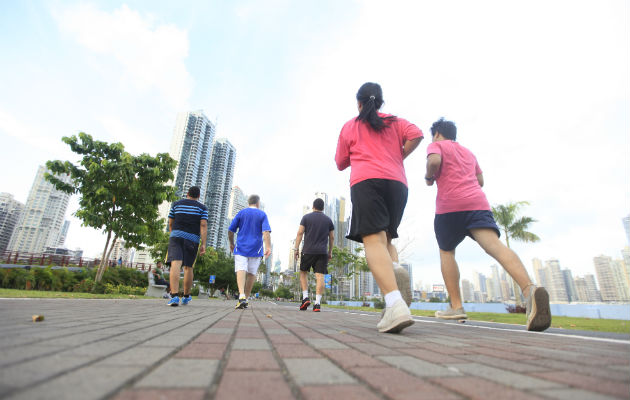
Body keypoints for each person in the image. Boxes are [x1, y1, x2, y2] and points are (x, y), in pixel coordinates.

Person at [425, 118, 551, 331]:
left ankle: (456, 307)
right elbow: (480, 180)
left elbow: (434, 162)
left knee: (447, 252)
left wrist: (429, 177)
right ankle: (530, 291)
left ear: (437, 133)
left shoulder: (435, 145)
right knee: (495, 247)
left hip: (450, 207)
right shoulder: (468, 153)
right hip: (477, 204)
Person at [335, 82, 423, 333]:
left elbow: (340, 162)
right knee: (386, 240)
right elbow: (416, 134)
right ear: (381, 102)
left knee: (373, 240)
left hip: (367, 181)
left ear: (359, 103)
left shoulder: (351, 125)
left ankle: (395, 304)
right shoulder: (395, 121)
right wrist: (399, 156)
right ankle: (394, 271)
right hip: (397, 184)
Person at [166, 186, 208, 306]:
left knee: (175, 263)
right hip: (192, 239)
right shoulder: (202, 208)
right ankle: (185, 296)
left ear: (187, 193)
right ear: (198, 196)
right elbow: (203, 225)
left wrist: (172, 233)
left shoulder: (176, 204)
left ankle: (174, 296)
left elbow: (170, 222)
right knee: (188, 267)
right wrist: (203, 244)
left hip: (176, 236)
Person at [228, 194, 271, 309]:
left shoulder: (241, 213)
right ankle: (246, 298)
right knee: (252, 274)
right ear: (258, 203)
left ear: (248, 203)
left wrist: (231, 243)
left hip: (241, 246)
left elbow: (231, 230)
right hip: (256, 249)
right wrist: (268, 247)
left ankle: (241, 295)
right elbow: (266, 232)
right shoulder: (262, 214)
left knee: (241, 269)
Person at [294, 198, 334, 312]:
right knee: (320, 276)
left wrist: (296, 249)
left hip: (308, 251)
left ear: (313, 206)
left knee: (303, 273)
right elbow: (332, 237)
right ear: (323, 208)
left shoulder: (306, 217)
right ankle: (317, 303)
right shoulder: (328, 220)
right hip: (322, 252)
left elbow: (300, 233)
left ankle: (305, 297)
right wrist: (330, 251)